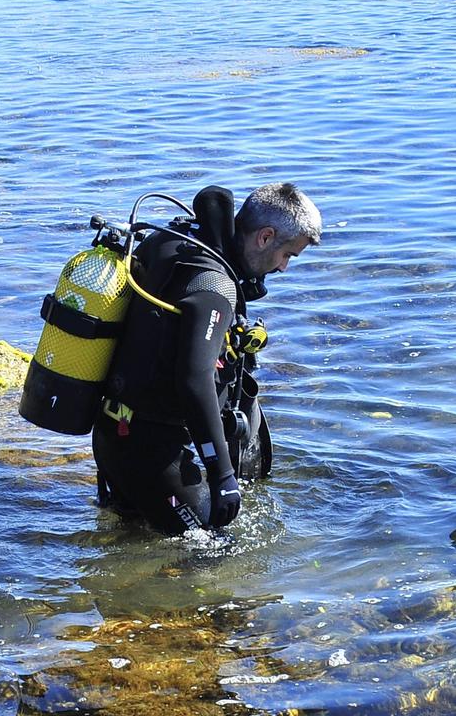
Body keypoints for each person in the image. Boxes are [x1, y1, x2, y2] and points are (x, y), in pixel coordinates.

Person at [93, 182, 321, 534]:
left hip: (114, 432)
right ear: (265, 237)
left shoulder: (177, 242)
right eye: (288, 254)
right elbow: (194, 380)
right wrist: (223, 476)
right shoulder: (214, 286)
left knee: (130, 541)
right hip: (149, 452)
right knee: (212, 548)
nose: (284, 267)